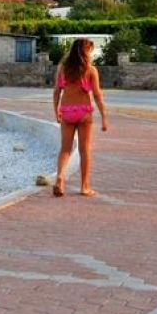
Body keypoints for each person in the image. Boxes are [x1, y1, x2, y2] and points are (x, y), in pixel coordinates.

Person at [51, 38, 108, 197]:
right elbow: (97, 95)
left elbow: (56, 91)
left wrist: (56, 112)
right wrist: (104, 117)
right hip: (84, 113)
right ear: (86, 51)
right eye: (90, 50)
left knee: (65, 149)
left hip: (67, 111)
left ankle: (60, 177)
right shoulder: (90, 70)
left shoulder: (62, 68)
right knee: (85, 150)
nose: (91, 53)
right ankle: (84, 187)